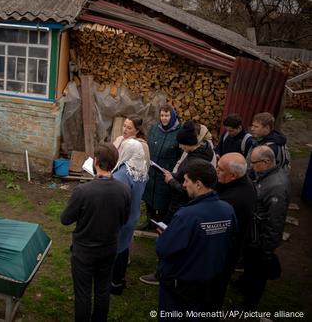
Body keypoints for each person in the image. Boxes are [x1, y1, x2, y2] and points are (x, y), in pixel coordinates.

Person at [156, 159, 237, 319]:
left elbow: (164, 249)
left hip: (181, 285)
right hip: (210, 281)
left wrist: (164, 236)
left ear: (198, 184)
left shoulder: (187, 215)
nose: (184, 185)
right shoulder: (228, 210)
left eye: (186, 181)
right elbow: (230, 241)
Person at [61, 143, 131, 322]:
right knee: (102, 290)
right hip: (109, 249)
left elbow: (65, 219)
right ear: (115, 163)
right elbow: (124, 220)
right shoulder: (124, 190)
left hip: (84, 251)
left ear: (96, 162)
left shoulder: (83, 191)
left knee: (83, 294)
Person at [141, 120, 215, 286]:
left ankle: (163, 273)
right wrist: (173, 176)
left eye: (183, 144)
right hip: (178, 203)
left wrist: (170, 181)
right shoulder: (195, 154)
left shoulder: (197, 162)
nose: (180, 147)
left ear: (190, 143)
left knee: (169, 238)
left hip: (181, 205)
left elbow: (187, 190)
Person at [237, 145, 290, 310]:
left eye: (254, 162)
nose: (251, 166)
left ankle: (250, 303)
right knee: (250, 265)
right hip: (253, 234)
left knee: (258, 272)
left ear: (266, 162)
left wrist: (267, 250)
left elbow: (275, 222)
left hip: (260, 239)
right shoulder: (265, 175)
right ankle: (244, 283)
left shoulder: (277, 187)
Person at [211, 152, 256, 310]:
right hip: (228, 248)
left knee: (213, 291)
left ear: (233, 175)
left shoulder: (234, 199)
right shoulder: (240, 183)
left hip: (224, 252)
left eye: (221, 169)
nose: (216, 170)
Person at [110, 138, 149, 295]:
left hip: (120, 219)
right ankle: (119, 281)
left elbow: (116, 200)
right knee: (124, 247)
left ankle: (113, 283)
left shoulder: (122, 175)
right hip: (133, 216)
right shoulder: (141, 169)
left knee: (115, 251)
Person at [143, 104, 181, 228]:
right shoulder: (155, 128)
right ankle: (149, 220)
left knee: (163, 199)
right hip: (151, 170)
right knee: (149, 197)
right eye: (162, 115)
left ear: (172, 116)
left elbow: (180, 155)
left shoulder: (178, 132)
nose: (164, 118)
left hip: (165, 172)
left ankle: (160, 224)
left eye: (167, 115)